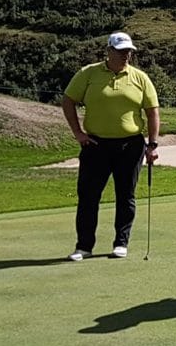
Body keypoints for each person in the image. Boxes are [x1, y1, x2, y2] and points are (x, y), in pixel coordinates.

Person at [61, 32, 159, 261]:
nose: (126, 55)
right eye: (121, 51)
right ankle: (84, 246)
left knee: (126, 195)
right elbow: (68, 100)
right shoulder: (89, 73)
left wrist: (152, 144)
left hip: (130, 145)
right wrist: (78, 133)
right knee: (88, 196)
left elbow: (152, 112)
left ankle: (121, 243)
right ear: (109, 51)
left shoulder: (140, 77)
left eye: (129, 51)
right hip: (95, 144)